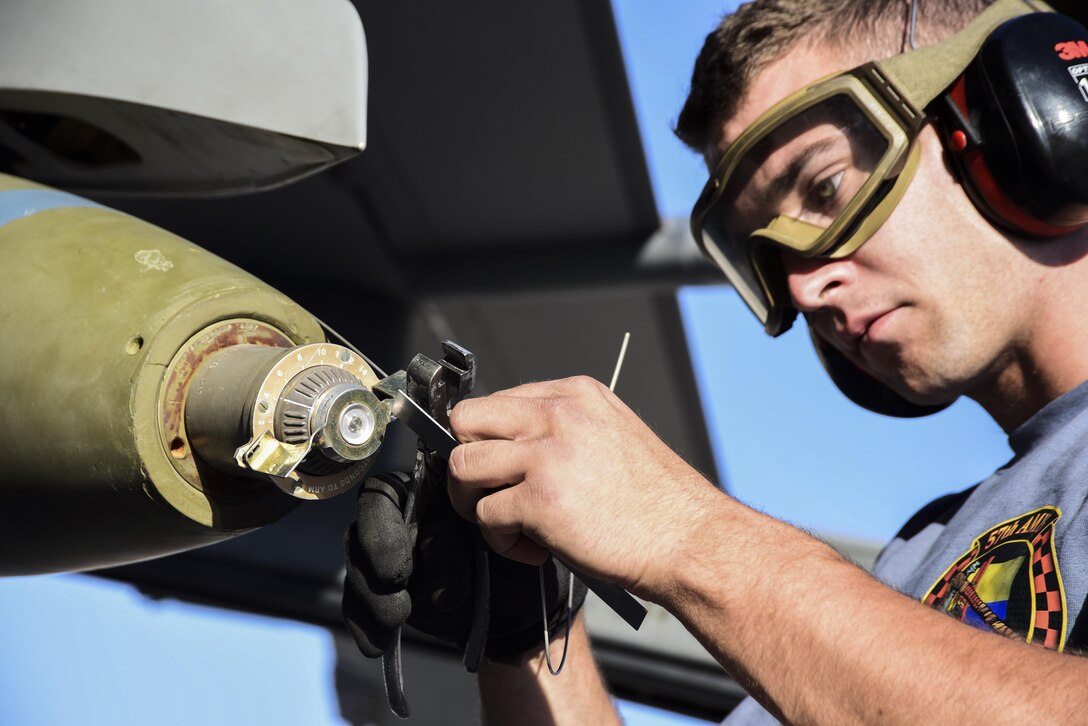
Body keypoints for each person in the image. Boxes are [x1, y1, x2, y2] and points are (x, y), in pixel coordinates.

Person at [344, 0, 1088, 722]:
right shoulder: (915, 566)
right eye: (766, 252)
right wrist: (526, 630)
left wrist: (682, 530)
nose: (801, 283)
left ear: (1027, 116)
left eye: (824, 186)